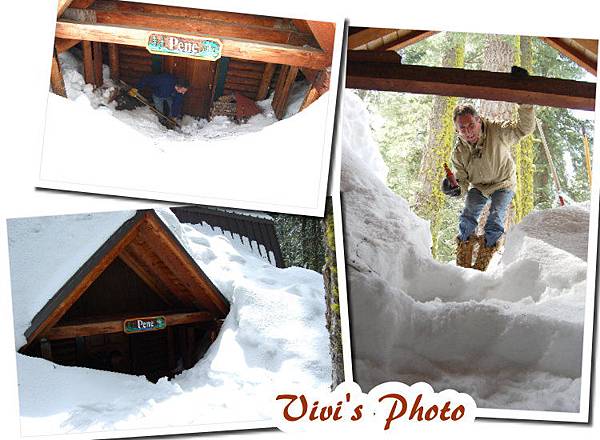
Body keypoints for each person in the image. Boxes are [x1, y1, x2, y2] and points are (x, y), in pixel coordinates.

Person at [442, 101, 536, 271]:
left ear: (479, 120)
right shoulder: (458, 152)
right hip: (478, 185)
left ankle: (484, 257)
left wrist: (525, 105)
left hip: (503, 182)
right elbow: (462, 181)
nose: (468, 131)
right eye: (463, 128)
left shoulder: (497, 131)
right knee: (468, 213)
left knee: (496, 215)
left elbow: (523, 129)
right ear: (457, 130)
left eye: (471, 124)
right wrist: (455, 188)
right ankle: (463, 254)